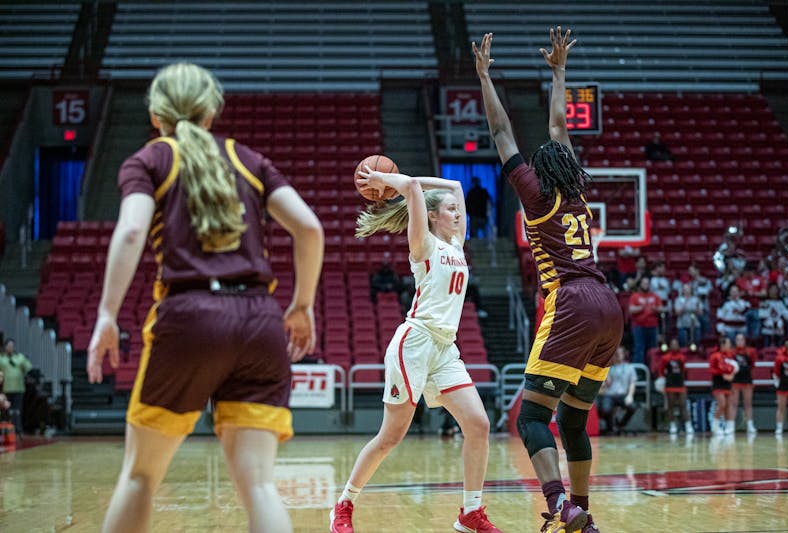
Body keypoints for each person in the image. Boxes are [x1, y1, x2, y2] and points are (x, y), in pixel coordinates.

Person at [86, 63, 324, 533]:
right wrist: (302, 305)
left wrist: (107, 314)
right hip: (260, 320)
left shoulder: (150, 159)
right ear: (212, 112)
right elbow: (310, 228)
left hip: (191, 316)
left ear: (157, 115)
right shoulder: (247, 159)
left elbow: (133, 228)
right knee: (259, 486)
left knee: (140, 476)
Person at [475, 28, 624, 533]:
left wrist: (484, 77)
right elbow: (560, 127)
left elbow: (500, 134)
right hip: (609, 303)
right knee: (575, 420)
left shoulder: (536, 196)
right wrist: (559, 72)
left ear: (539, 171)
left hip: (573, 301)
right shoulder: (578, 192)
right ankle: (582, 509)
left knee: (532, 419)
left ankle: (561, 504)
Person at [330, 169, 502, 533]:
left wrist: (441, 189)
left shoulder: (457, 245)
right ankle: (343, 505)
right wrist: (378, 175)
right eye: (451, 210)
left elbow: (455, 186)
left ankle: (470, 513)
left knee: (479, 424)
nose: (458, 214)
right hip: (416, 343)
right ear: (433, 215)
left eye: (459, 210)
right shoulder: (423, 245)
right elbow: (410, 188)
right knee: (391, 436)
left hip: (444, 348)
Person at [596, 346, 637, 436]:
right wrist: (604, 383)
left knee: (632, 406)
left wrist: (630, 396)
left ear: (624, 355)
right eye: (616, 354)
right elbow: (604, 384)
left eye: (620, 353)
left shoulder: (629, 367)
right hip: (609, 395)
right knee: (605, 409)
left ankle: (621, 425)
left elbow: (632, 384)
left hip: (623, 395)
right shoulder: (608, 368)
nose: (618, 355)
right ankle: (610, 427)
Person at [658, 340, 693, 435]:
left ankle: (688, 425)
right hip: (670, 384)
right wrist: (662, 382)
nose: (674, 346)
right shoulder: (665, 358)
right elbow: (661, 371)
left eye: (676, 344)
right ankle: (672, 425)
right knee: (671, 405)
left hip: (680, 384)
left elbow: (685, 370)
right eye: (672, 344)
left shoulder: (682, 357)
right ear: (670, 346)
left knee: (683, 405)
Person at [628, 278, 665, 366]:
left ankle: (652, 369)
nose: (646, 285)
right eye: (644, 283)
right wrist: (642, 307)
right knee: (639, 348)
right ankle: (640, 371)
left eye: (647, 283)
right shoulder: (635, 296)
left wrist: (655, 309)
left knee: (652, 349)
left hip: (652, 326)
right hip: (638, 326)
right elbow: (631, 309)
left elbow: (662, 308)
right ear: (640, 285)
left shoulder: (655, 296)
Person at [0, 338, 33, 436]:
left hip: (18, 388)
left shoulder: (20, 357)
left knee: (17, 411)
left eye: (12, 346)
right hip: (6, 388)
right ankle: (6, 431)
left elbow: (28, 367)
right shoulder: (1, 358)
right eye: (8, 345)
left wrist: (23, 361)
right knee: (7, 411)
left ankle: (18, 430)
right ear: (5, 347)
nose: (10, 347)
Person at [709, 338, 737, 436]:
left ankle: (729, 426)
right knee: (722, 404)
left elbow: (734, 368)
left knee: (728, 405)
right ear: (722, 345)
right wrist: (722, 374)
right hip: (718, 382)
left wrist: (731, 375)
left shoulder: (731, 356)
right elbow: (712, 370)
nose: (730, 346)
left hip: (727, 383)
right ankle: (715, 425)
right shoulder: (715, 356)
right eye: (728, 344)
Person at [730, 333, 758, 434]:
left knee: (748, 404)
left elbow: (753, 365)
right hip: (735, 381)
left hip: (747, 380)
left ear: (745, 341)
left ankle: (750, 425)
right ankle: (731, 426)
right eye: (738, 339)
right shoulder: (732, 352)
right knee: (733, 404)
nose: (740, 341)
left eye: (741, 339)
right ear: (735, 341)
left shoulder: (751, 351)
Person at [759, 283, 788, 347]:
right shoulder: (764, 302)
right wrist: (771, 323)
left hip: (779, 330)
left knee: (779, 350)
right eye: (772, 289)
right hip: (767, 331)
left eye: (775, 289)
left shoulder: (782, 302)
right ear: (769, 290)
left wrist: (780, 323)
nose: (774, 291)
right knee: (766, 348)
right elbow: (761, 317)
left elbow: (786, 316)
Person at [674, 283, 703, 348]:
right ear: (682, 290)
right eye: (685, 289)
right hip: (682, 325)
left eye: (688, 289)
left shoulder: (696, 299)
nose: (687, 291)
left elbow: (701, 313)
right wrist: (685, 303)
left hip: (694, 325)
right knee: (683, 344)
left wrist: (695, 309)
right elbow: (677, 313)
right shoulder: (678, 300)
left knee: (696, 343)